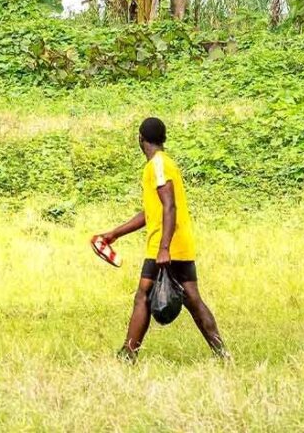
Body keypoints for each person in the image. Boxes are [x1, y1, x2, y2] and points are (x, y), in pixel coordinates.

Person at [91, 116, 227, 359]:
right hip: (178, 244)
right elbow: (151, 212)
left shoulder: (158, 165)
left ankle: (128, 353)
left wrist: (164, 248)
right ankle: (222, 353)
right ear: (163, 139)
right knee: (192, 299)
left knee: (143, 296)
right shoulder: (162, 164)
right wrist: (114, 234)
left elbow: (169, 206)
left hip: (164, 246)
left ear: (140, 138)